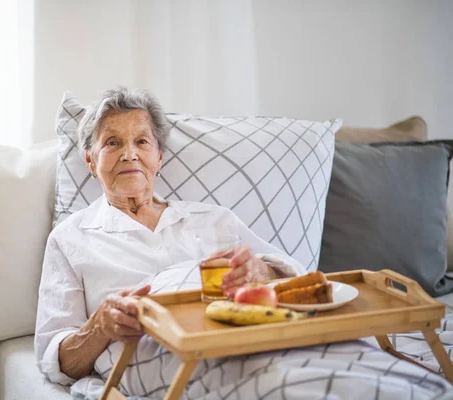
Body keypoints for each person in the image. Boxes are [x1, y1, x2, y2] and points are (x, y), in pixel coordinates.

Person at [34, 86, 306, 386]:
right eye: (113, 143)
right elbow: (56, 360)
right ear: (90, 161)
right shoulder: (70, 239)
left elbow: (304, 286)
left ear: (159, 157)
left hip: (252, 343)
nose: (129, 154)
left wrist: (263, 271)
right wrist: (99, 327)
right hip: (170, 364)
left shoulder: (215, 219)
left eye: (141, 141)